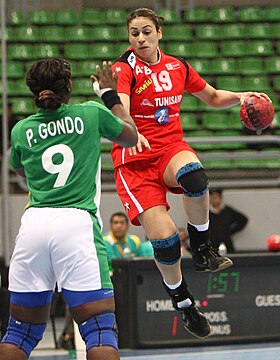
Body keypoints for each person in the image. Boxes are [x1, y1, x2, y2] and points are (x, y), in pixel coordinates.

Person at [109, 7, 271, 339]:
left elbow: (211, 97)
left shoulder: (177, 66)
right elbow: (121, 105)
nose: (140, 38)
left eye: (146, 31)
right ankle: (183, 303)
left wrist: (241, 96)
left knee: (195, 177)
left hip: (169, 148)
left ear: (159, 33)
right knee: (166, 242)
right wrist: (129, 127)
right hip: (135, 161)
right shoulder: (124, 68)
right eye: (134, 33)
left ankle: (201, 248)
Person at [0, 59, 138, 360]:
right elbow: (130, 135)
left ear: (32, 91)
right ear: (69, 87)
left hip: (33, 225)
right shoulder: (90, 113)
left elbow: (23, 173)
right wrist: (109, 95)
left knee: (20, 331)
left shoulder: (21, 130)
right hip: (76, 224)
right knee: (99, 329)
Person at [209, 189, 249, 253]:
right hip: (212, 243)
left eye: (216, 197)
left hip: (226, 242)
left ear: (220, 198)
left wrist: (230, 231)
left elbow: (243, 219)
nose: (214, 199)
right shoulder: (206, 213)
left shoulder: (228, 211)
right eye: (212, 197)